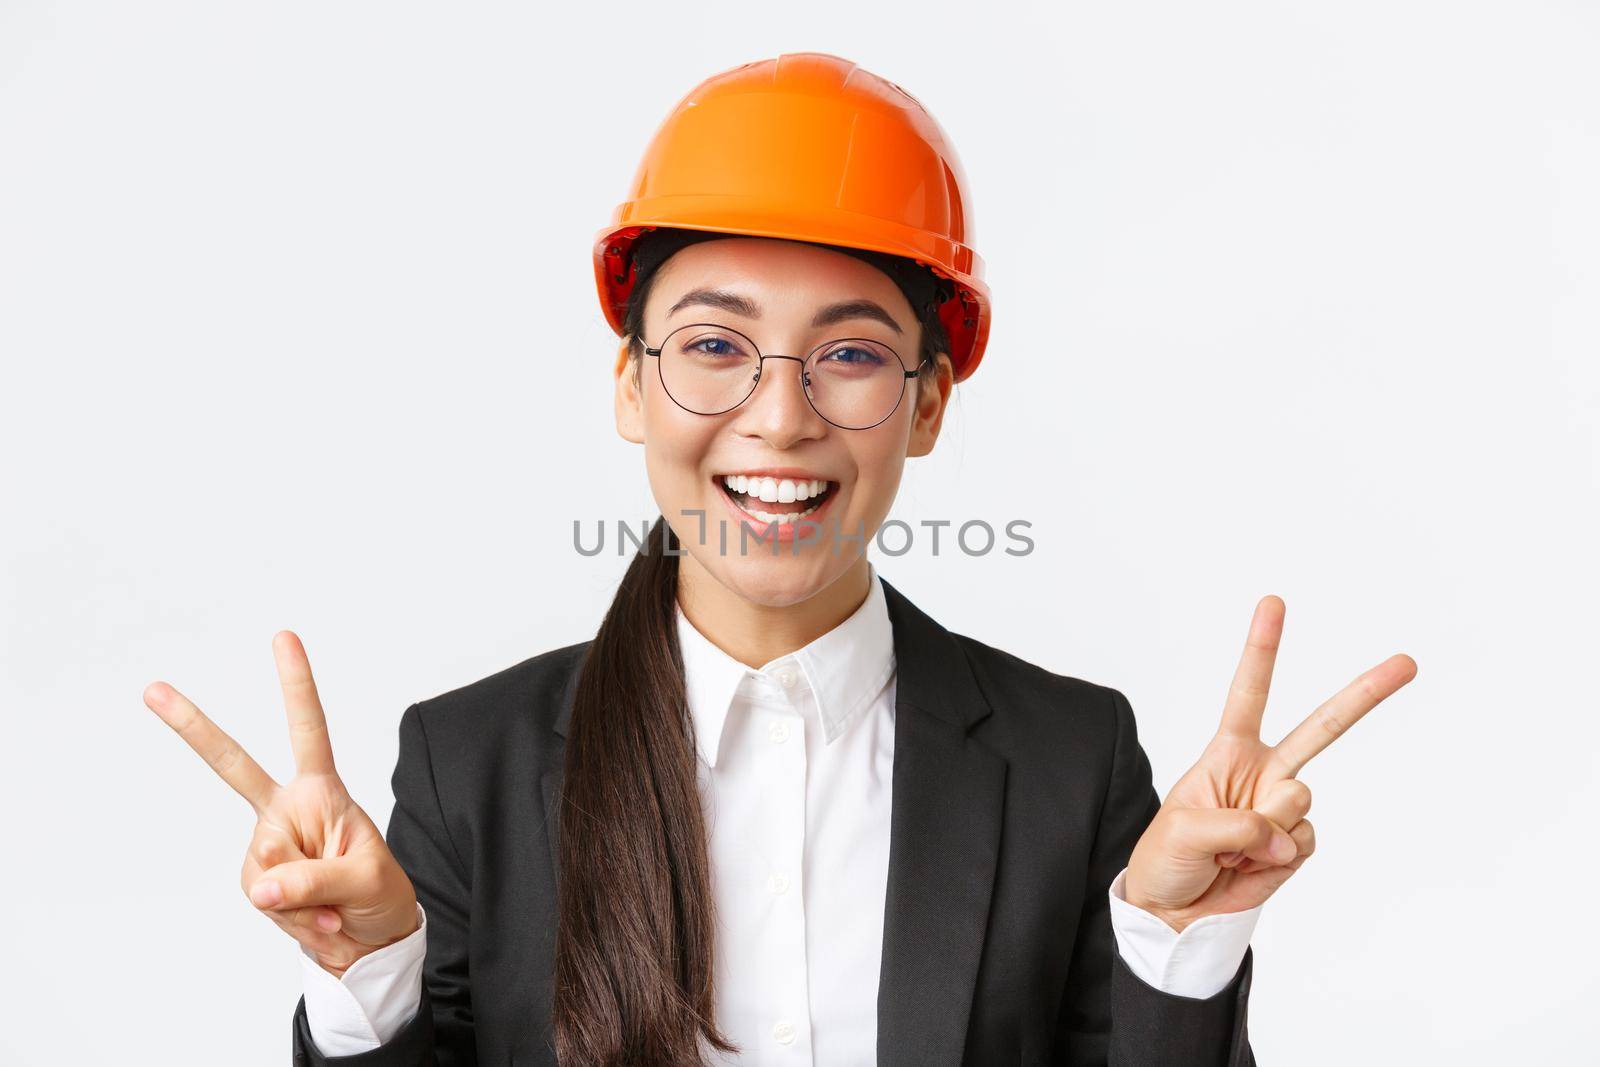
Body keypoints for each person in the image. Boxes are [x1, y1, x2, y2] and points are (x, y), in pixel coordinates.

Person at [144, 52, 1416, 1066]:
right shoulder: (469, 764)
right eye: (711, 344)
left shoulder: (1071, 760)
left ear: (926, 405)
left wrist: (1177, 952)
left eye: (852, 354)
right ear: (631, 385)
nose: (778, 415)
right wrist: (375, 992)